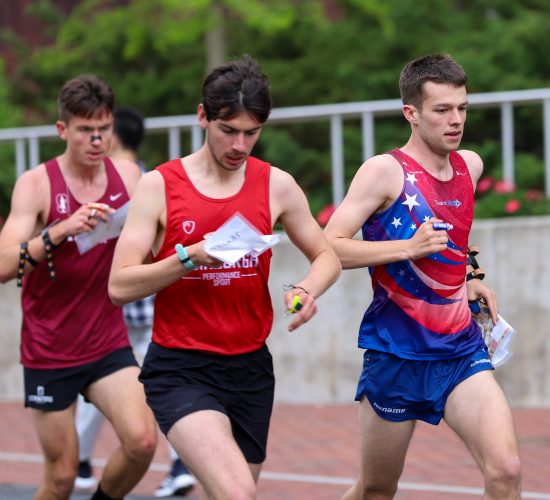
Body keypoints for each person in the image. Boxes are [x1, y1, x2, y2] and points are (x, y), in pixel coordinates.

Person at [108, 54, 341, 499]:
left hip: (251, 367)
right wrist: (190, 257)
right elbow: (119, 286)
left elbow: (326, 255)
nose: (239, 145)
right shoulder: (160, 186)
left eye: (251, 133)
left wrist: (309, 289)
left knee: (228, 493)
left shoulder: (277, 185)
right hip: (181, 367)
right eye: (228, 130)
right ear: (202, 117)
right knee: (238, 492)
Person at [324, 53, 522, 499]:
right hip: (396, 354)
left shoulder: (469, 167)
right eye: (442, 110)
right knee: (377, 489)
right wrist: (406, 249)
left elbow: (454, 239)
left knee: (506, 470)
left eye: (463, 108)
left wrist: (470, 275)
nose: (456, 121)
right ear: (410, 113)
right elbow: (328, 245)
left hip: (459, 351)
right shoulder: (383, 171)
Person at [0, 74, 157, 500]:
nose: (96, 139)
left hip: (107, 342)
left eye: (103, 129)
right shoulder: (36, 184)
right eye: (86, 130)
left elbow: (157, 236)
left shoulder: (126, 175)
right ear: (62, 130)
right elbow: (2, 265)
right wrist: (59, 231)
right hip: (50, 350)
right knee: (62, 479)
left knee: (142, 443)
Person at [75, 106, 196, 497]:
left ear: (111, 136)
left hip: (114, 307)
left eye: (101, 132)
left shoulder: (113, 185)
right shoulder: (157, 179)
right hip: (152, 301)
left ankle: (79, 461)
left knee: (101, 384)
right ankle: (180, 464)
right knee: (166, 387)